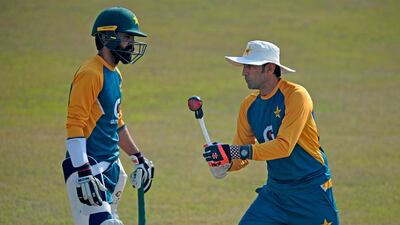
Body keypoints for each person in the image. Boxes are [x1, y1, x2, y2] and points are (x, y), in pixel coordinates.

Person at [202, 40, 339, 225]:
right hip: (276, 195)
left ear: (270, 68)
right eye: (244, 66)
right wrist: (223, 162)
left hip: (311, 193)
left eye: (250, 66)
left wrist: (234, 151)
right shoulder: (248, 106)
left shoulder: (297, 96)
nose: (244, 72)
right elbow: (240, 155)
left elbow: (284, 147)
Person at [62, 7, 154, 225]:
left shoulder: (115, 73)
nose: (131, 44)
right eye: (126, 37)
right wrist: (83, 171)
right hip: (88, 168)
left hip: (111, 166)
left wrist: (138, 158)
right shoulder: (90, 73)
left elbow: (117, 123)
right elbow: (75, 124)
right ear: (106, 37)